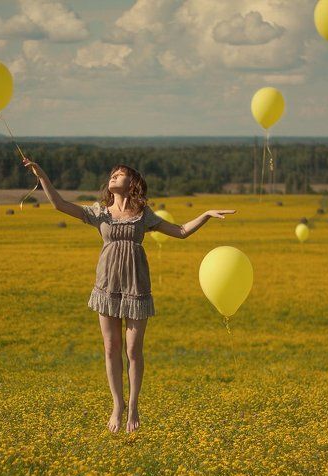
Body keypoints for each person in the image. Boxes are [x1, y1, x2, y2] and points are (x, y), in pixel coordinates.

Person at [23, 157, 236, 433]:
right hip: (107, 286)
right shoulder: (100, 212)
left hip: (136, 287)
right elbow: (60, 205)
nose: (113, 177)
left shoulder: (143, 214)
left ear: (131, 183)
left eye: (120, 174)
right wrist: (41, 174)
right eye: (112, 174)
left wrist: (205, 214)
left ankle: (133, 405)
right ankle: (117, 405)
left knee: (133, 350)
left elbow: (181, 231)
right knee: (111, 348)